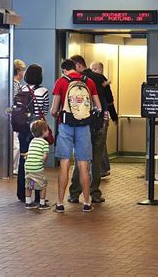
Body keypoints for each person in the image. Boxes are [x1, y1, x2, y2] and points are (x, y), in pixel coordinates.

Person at [51, 58, 101, 213]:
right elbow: (98, 106)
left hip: (66, 125)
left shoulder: (61, 81)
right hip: (84, 126)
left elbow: (53, 110)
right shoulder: (89, 81)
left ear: (64, 70)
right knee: (84, 165)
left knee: (65, 164)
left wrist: (59, 114)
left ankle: (60, 203)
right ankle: (87, 202)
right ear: (75, 68)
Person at [68, 55, 108, 204]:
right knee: (96, 160)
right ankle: (95, 193)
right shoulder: (98, 78)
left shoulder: (74, 82)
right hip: (97, 124)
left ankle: (74, 193)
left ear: (78, 66)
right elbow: (106, 100)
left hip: (80, 125)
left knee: (80, 159)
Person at [16, 64, 49, 203]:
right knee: (37, 162)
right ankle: (37, 196)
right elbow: (44, 110)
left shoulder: (21, 89)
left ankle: (23, 194)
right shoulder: (43, 91)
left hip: (23, 130)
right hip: (37, 131)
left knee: (24, 162)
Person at [90, 61, 118, 177]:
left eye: (94, 69)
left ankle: (102, 169)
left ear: (100, 70)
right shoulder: (102, 81)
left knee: (99, 142)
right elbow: (110, 100)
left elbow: (109, 100)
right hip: (103, 115)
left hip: (100, 115)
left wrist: (114, 115)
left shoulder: (99, 80)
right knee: (101, 142)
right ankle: (103, 168)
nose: (93, 72)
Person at [24, 120, 51, 210]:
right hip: (37, 168)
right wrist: (42, 163)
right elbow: (44, 156)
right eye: (47, 130)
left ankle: (28, 202)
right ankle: (42, 203)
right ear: (43, 131)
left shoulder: (32, 141)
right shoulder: (45, 143)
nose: (48, 131)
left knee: (30, 185)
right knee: (42, 185)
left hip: (28, 167)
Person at [12, 59, 26, 175]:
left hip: (9, 116)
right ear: (19, 70)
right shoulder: (16, 85)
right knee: (15, 143)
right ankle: (14, 167)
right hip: (15, 117)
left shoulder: (9, 83)